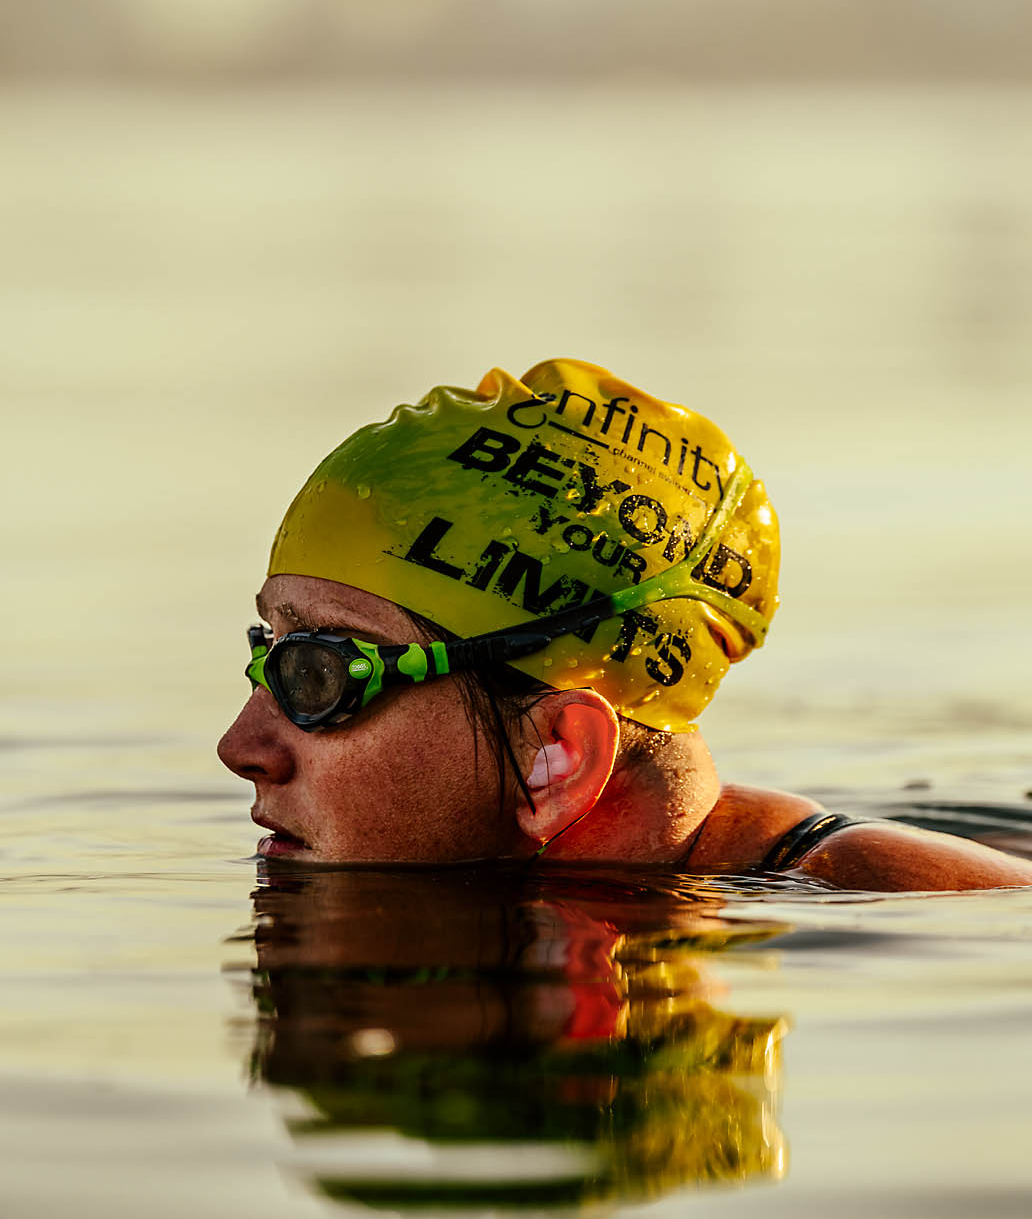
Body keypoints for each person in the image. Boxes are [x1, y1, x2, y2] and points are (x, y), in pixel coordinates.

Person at [218, 358, 1032, 890]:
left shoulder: (911, 907)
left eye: (318, 675)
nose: (239, 747)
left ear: (558, 759)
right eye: (270, 655)